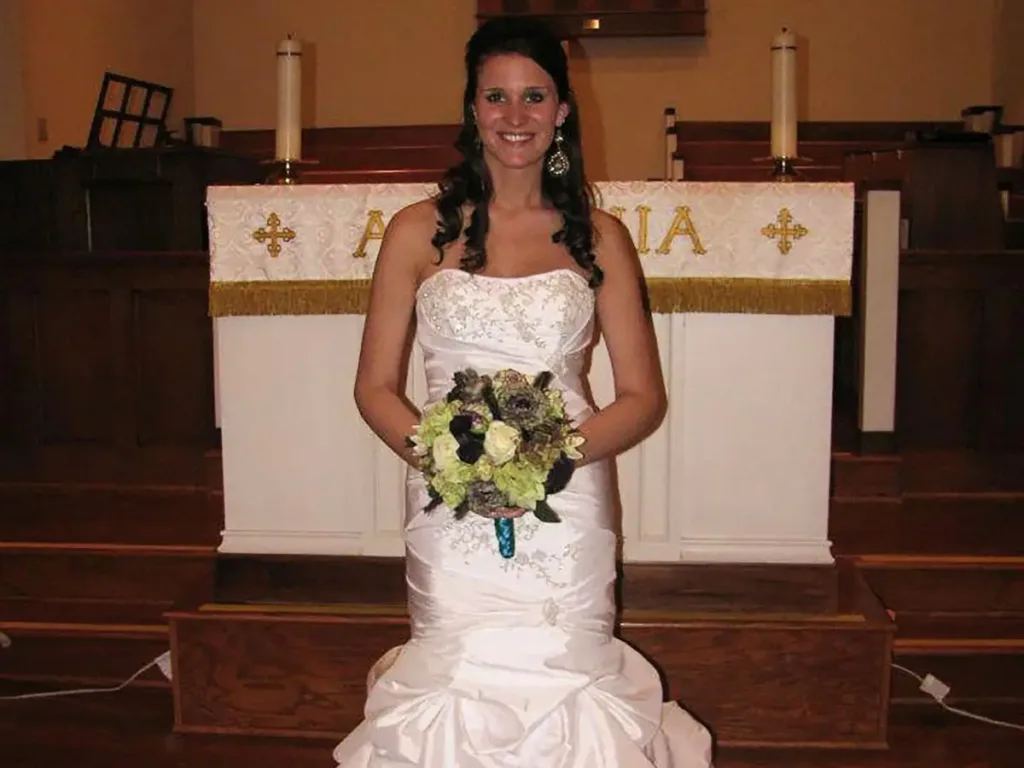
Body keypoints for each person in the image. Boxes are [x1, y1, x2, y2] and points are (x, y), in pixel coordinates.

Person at [334, 15, 714, 768]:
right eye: (496, 97)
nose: (515, 117)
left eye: (534, 97)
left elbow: (641, 396)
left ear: (562, 111)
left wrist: (550, 461)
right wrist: (451, 468)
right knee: (455, 669)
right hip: (448, 498)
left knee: (566, 670)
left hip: (566, 500)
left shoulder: (598, 236)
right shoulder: (416, 232)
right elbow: (374, 387)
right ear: (472, 107)